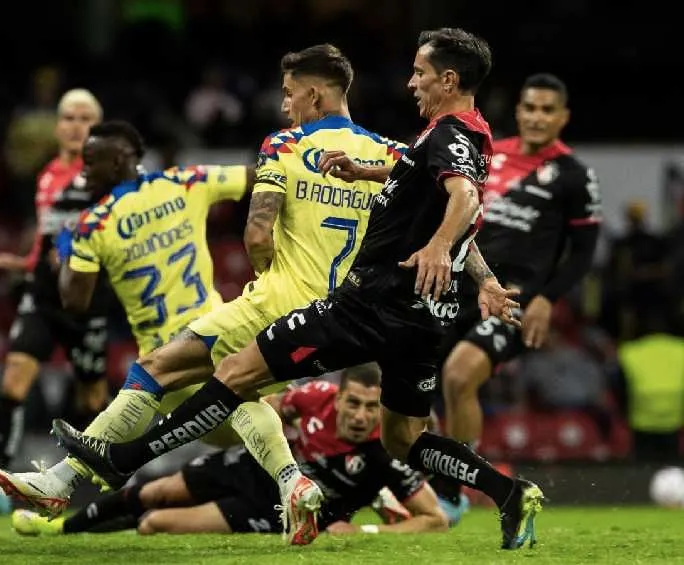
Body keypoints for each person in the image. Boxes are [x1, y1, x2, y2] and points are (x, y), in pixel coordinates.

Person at [55, 28, 546, 551]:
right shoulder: (456, 135)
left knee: (237, 372)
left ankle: (122, 459)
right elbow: (427, 189)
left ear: (449, 80)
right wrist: (485, 279)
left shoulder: (448, 136)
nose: (411, 83)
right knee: (403, 440)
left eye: (421, 74)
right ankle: (509, 492)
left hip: (367, 304)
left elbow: (465, 200)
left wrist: (438, 245)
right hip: (420, 318)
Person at [0, 44, 407, 545]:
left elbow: (256, 233)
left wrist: (266, 276)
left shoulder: (284, 145)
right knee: (245, 394)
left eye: (289, 93)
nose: (284, 104)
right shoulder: (391, 154)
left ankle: (59, 483)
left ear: (314, 94)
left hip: (279, 301)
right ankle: (293, 485)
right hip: (343, 315)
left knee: (155, 370)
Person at [0, 119, 254, 513]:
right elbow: (257, 177)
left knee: (153, 387)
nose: (84, 171)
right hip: (213, 341)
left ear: (119, 161)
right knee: (266, 415)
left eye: (91, 161)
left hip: (171, 364)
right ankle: (302, 479)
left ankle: (59, 480)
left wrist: (68, 248)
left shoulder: (94, 222)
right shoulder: (185, 182)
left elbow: (74, 301)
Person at [11, 365, 449, 537]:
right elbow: (271, 408)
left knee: (156, 523)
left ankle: (93, 528)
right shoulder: (313, 396)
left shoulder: (389, 451)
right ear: (338, 398)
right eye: (352, 402)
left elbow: (435, 520)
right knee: (153, 491)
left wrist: (368, 532)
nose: (359, 414)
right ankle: (62, 528)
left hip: (268, 506)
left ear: (382, 408)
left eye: (371, 407)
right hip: (250, 467)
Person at [433, 73, 601, 521]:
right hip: (457, 285)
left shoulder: (575, 177)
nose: (537, 117)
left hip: (511, 300)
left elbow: (583, 254)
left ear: (563, 117)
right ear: (518, 111)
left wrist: (547, 299)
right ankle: (424, 485)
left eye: (548, 110)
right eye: (530, 107)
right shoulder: (491, 154)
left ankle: (454, 491)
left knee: (458, 376)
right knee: (418, 385)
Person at [0, 89, 108, 522]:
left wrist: (72, 250)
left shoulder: (105, 177)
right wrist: (24, 261)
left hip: (86, 299)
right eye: (68, 117)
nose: (75, 125)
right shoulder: (47, 175)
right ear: (57, 125)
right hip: (43, 296)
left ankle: (97, 483)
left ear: (97, 128)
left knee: (94, 399)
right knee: (12, 384)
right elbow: (48, 240)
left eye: (85, 118)